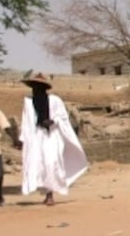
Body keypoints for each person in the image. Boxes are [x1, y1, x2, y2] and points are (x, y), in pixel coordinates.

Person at [19, 72, 89, 206]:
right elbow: (26, 121)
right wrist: (24, 139)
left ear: (44, 88)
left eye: (38, 86)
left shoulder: (55, 100)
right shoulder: (28, 102)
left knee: (52, 163)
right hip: (36, 136)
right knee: (39, 164)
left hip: (52, 135)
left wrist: (53, 121)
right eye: (33, 86)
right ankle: (46, 192)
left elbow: (63, 117)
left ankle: (50, 194)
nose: (35, 89)